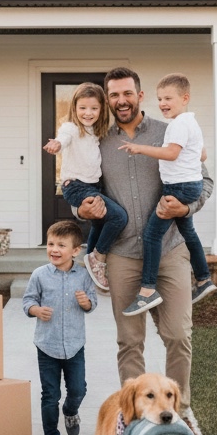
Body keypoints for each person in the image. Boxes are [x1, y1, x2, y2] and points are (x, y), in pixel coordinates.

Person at [76, 66, 212, 419]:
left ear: (140, 95)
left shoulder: (173, 130)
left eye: (127, 93)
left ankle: (178, 415)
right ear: (108, 99)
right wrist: (83, 208)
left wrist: (188, 205)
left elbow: (205, 178)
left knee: (178, 336)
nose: (121, 101)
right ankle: (135, 420)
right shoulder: (96, 140)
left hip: (169, 249)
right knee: (130, 342)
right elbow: (80, 185)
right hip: (122, 254)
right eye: (114, 95)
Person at [119, 73, 216, 316]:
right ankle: (204, 279)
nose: (162, 103)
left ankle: (147, 291)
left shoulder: (178, 124)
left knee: (152, 236)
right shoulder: (191, 122)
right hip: (189, 183)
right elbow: (202, 155)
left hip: (178, 187)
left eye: (168, 98)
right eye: (160, 98)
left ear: (185, 98)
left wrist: (141, 148)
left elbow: (172, 154)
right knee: (188, 233)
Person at [21, 219, 98, 435]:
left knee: (78, 389)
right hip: (47, 344)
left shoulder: (83, 276)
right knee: (49, 394)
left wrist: (86, 303)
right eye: (51, 243)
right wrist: (36, 310)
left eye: (61, 245)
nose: (54, 249)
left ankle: (71, 411)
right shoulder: (39, 275)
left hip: (75, 344)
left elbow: (92, 301)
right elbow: (27, 301)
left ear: (75, 251)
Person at [42, 82, 128, 292]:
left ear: (101, 109)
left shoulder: (97, 131)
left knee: (99, 223)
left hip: (94, 186)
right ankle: (98, 257)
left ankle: (91, 269)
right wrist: (57, 145)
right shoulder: (70, 128)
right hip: (76, 186)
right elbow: (63, 139)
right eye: (82, 108)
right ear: (74, 108)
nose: (88, 113)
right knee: (118, 217)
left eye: (94, 108)